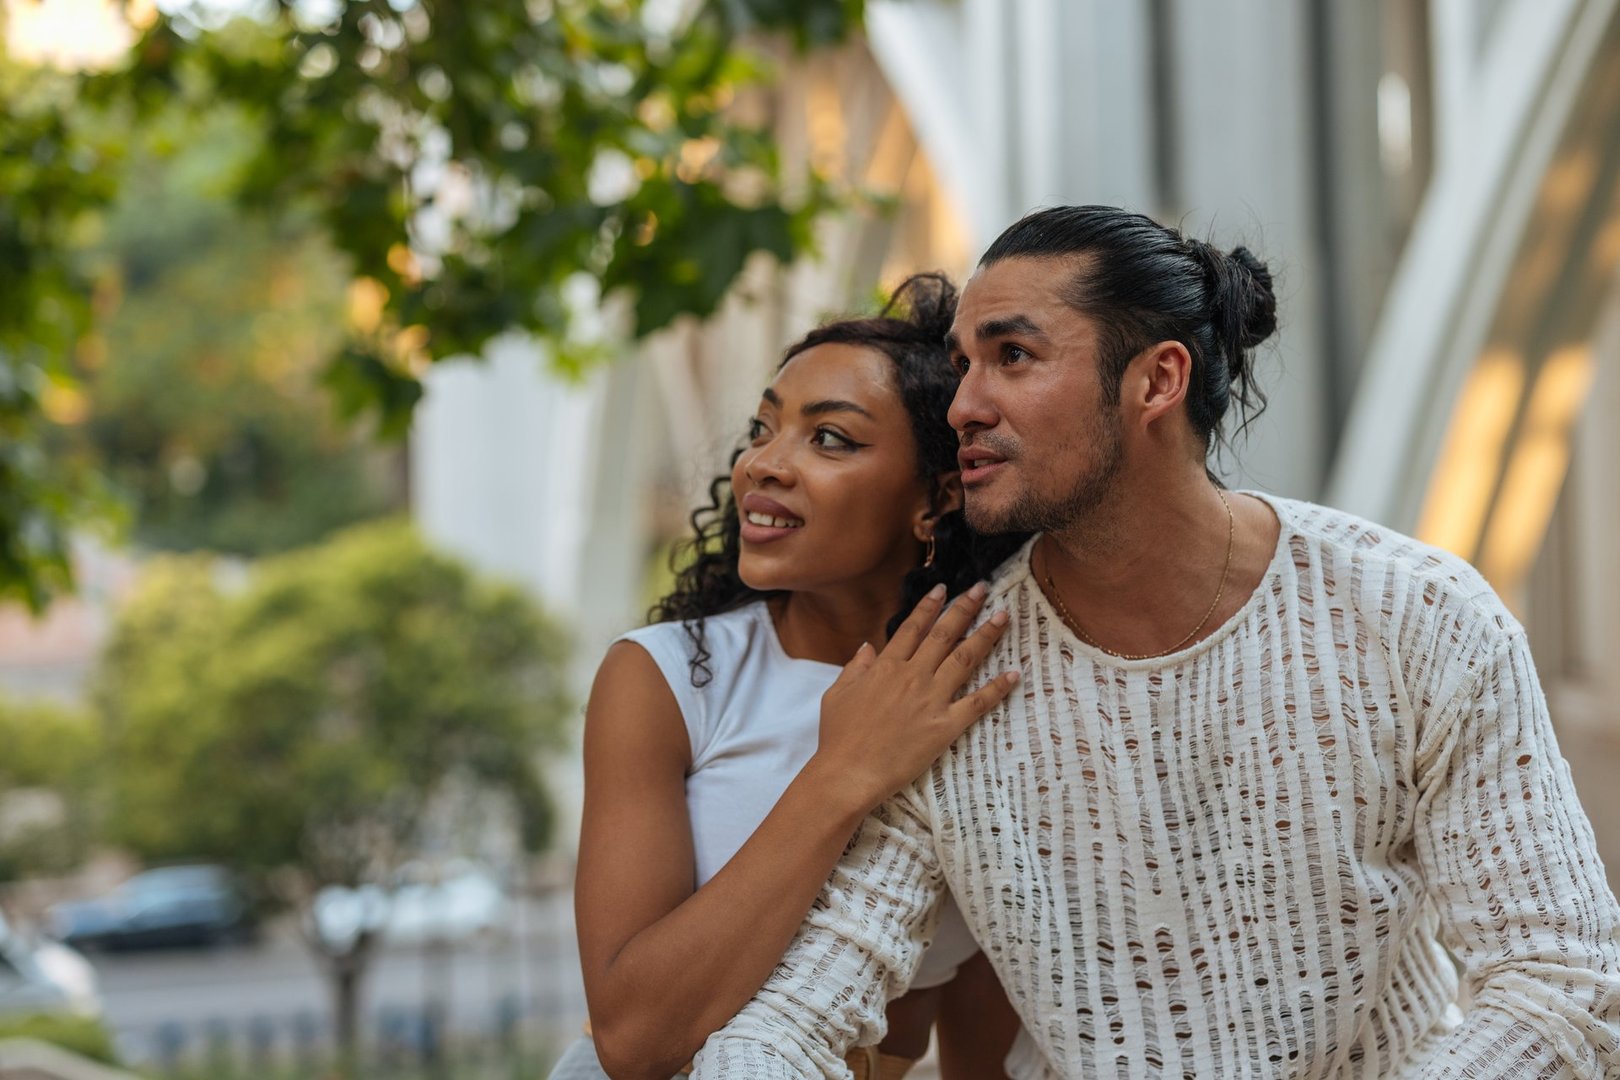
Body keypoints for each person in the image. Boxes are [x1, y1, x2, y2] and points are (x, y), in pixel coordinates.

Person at [691, 206, 1620, 1078]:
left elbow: (1563, 986)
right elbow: (801, 1013)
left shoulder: (1416, 615)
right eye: (963, 364)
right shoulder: (951, 673)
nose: (962, 404)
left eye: (1011, 356)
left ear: (1157, 381)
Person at [551, 274, 1029, 1080]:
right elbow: (635, 1040)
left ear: (937, 497)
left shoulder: (989, 694)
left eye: (829, 439)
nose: (763, 465)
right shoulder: (668, 681)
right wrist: (844, 771)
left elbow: (986, 1042)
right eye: (763, 430)